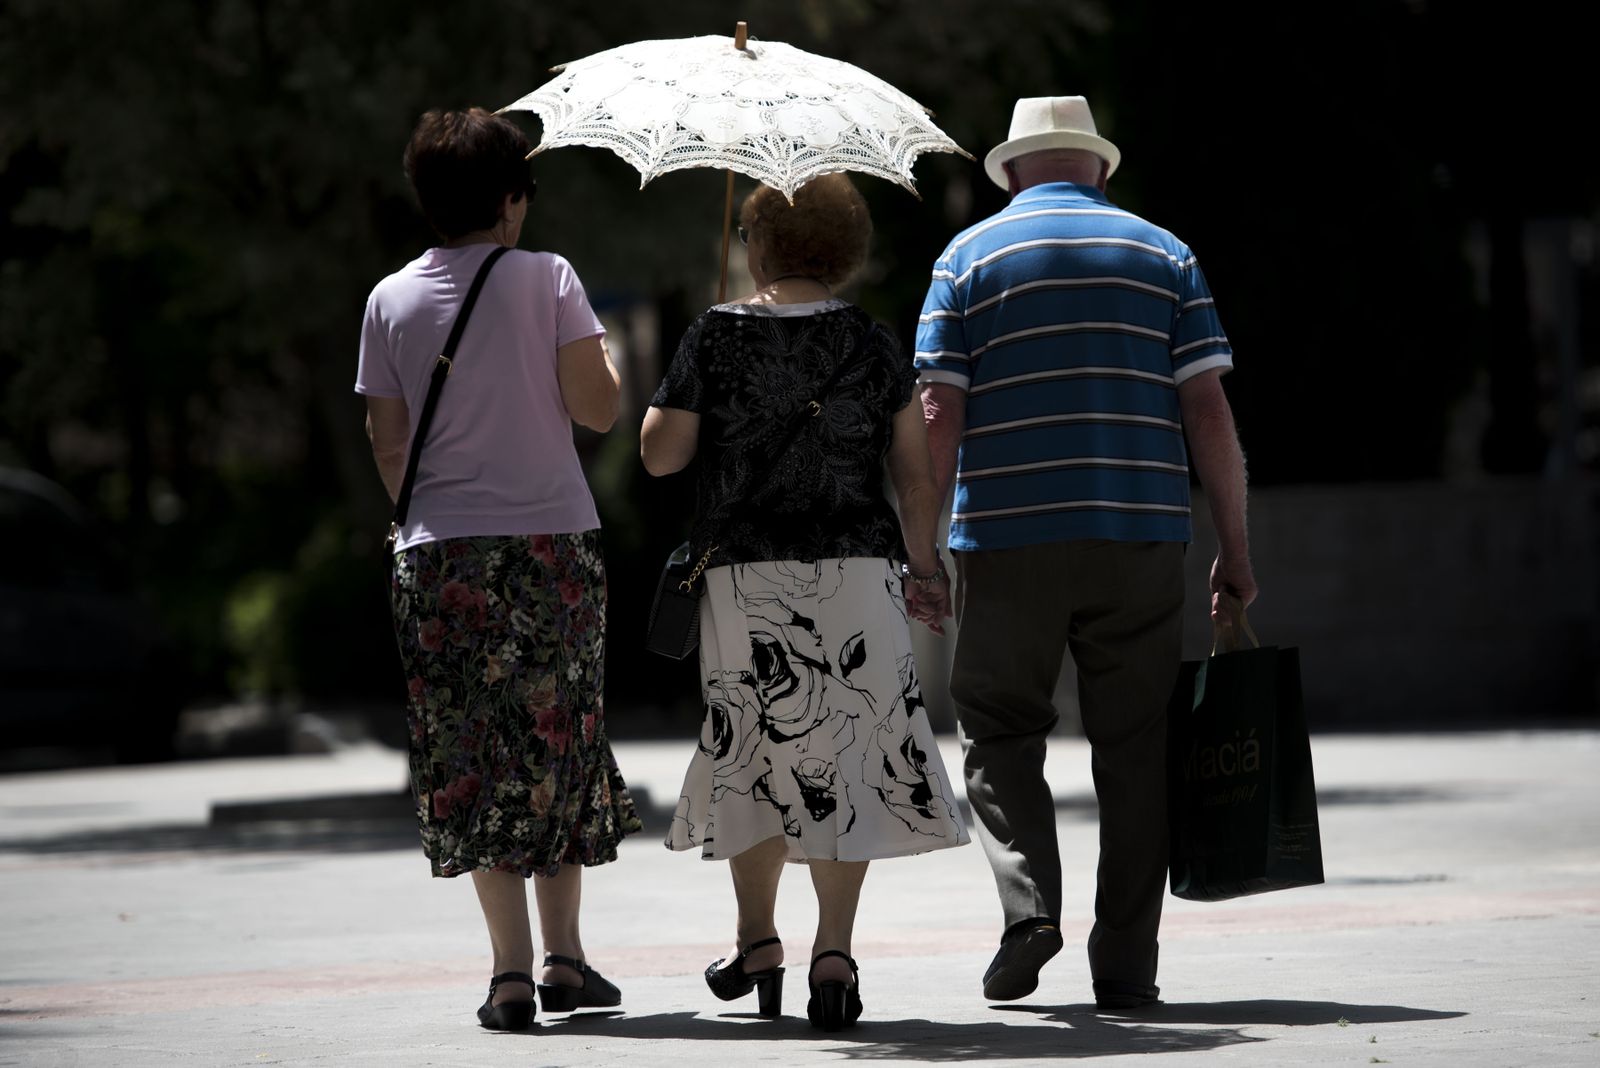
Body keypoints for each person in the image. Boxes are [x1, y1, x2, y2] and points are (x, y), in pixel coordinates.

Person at [915, 96, 1258, 1010]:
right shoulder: (1164, 255)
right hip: (1140, 538)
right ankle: (1126, 962)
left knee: (996, 730)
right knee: (1138, 750)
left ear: (1014, 171)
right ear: (1097, 168)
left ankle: (1030, 909)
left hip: (1005, 540)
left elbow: (938, 416)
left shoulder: (968, 258)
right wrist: (1236, 549)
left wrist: (922, 551)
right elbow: (1210, 412)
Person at [641, 173, 969, 1032]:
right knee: (849, 758)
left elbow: (659, 457)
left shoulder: (714, 335)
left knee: (749, 747)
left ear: (758, 242)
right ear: (846, 249)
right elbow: (916, 476)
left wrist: (697, 376)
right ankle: (834, 955)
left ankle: (757, 941)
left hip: (744, 578)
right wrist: (925, 567)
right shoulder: (873, 341)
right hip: (858, 572)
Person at [355, 107, 642, 1031]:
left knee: (472, 753)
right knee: (558, 739)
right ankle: (566, 960)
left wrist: (440, 509)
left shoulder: (388, 299)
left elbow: (387, 442)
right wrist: (612, 357)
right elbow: (597, 410)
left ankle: (509, 974)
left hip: (439, 554)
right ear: (511, 203)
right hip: (550, 541)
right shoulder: (548, 277)